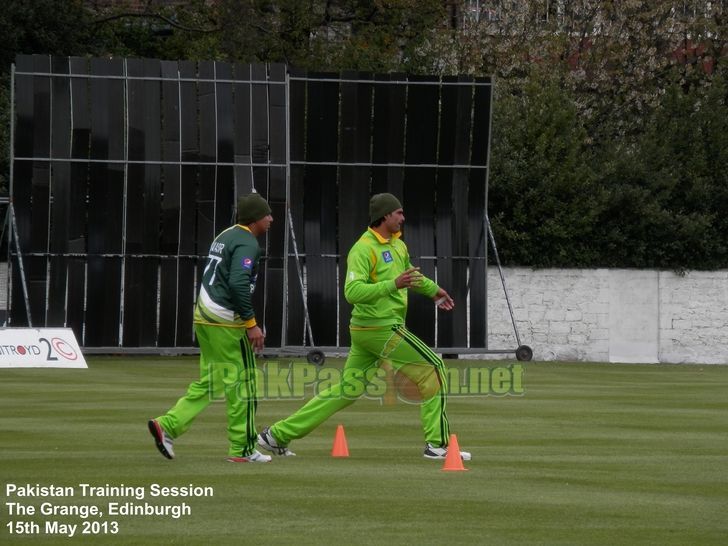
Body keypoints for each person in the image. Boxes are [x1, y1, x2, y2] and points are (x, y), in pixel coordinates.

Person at [258, 193, 471, 461]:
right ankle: (437, 445)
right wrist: (392, 285)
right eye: (399, 213)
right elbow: (352, 291)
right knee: (433, 369)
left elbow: (409, 276)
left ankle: (276, 435)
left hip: (368, 331)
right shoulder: (363, 248)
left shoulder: (397, 245)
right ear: (385, 216)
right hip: (379, 328)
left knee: (347, 391)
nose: (403, 218)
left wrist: (434, 291)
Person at [148, 192, 274, 463]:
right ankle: (242, 449)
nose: (271, 219)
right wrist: (251, 324)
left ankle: (168, 425)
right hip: (226, 321)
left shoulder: (225, 235)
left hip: (204, 316)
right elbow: (239, 283)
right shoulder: (247, 243)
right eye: (267, 215)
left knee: (212, 382)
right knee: (243, 385)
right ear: (255, 219)